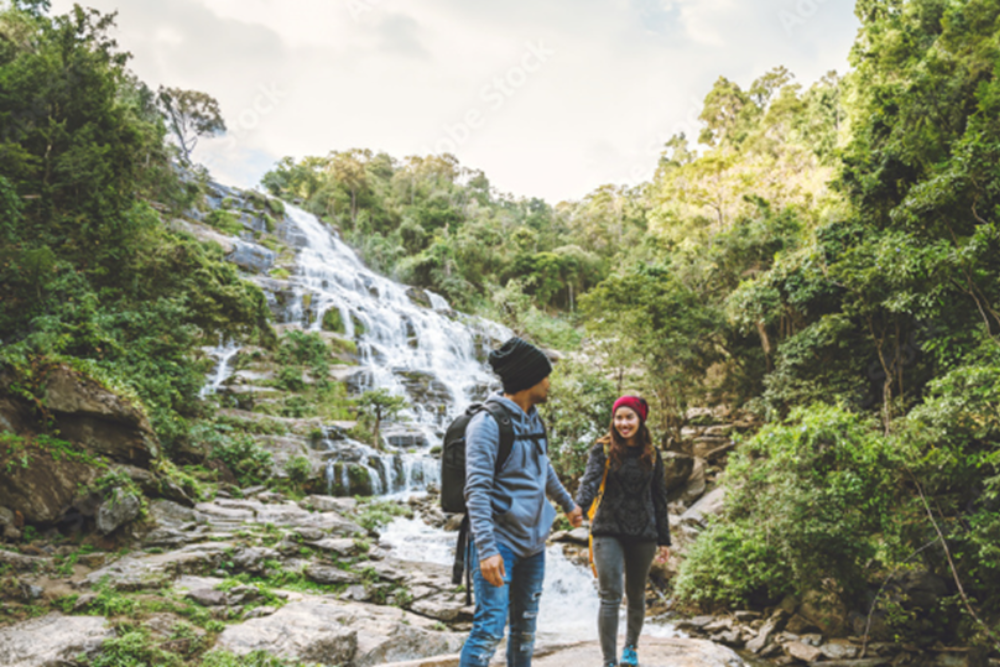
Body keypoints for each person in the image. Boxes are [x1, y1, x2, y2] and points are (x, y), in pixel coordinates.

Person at [460, 337, 584, 667]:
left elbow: (544, 466)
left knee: (525, 631)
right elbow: (476, 490)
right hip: (499, 542)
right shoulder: (486, 424)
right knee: (489, 631)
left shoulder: (534, 419)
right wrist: (486, 550)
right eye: (545, 377)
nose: (548, 383)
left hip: (534, 544)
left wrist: (568, 504)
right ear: (529, 379)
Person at [575, 395, 670, 667]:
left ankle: (631, 649)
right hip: (607, 528)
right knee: (610, 595)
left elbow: (659, 497)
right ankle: (609, 660)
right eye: (619, 417)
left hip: (644, 532)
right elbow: (590, 482)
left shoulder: (653, 454)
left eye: (629, 417)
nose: (623, 423)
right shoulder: (603, 449)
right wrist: (578, 507)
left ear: (640, 420)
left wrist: (664, 539)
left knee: (636, 593)